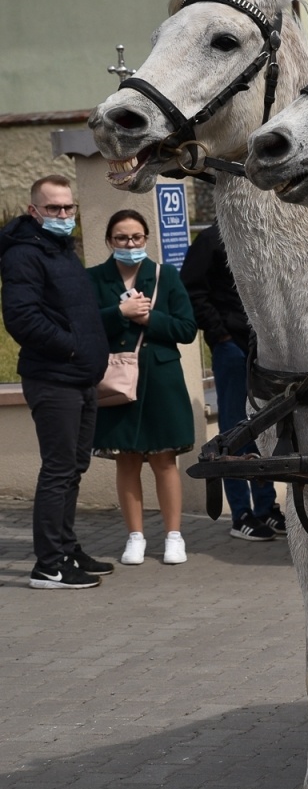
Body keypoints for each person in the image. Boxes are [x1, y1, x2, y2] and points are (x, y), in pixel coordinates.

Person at [1, 175, 113, 589]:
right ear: (35, 211)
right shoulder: (24, 255)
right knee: (58, 469)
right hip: (54, 378)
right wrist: (73, 350)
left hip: (79, 377)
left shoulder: (60, 249)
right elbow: (22, 318)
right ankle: (48, 565)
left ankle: (66, 547)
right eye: (54, 209)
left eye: (69, 208)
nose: (63, 215)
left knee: (75, 467)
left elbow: (73, 311)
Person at [87, 209, 198, 566]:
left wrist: (149, 317)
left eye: (135, 238)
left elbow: (186, 329)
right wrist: (120, 312)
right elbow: (84, 326)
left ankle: (173, 536)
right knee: (127, 458)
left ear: (146, 239)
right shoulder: (94, 278)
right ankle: (135, 536)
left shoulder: (166, 276)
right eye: (121, 238)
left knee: (165, 459)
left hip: (161, 379)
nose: (129, 244)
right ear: (109, 241)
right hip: (118, 378)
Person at [180, 223, 282, 541]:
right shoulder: (211, 239)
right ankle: (241, 513)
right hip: (233, 347)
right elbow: (192, 289)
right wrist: (219, 332)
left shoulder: (265, 234)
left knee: (264, 427)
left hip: (266, 349)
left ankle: (266, 507)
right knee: (234, 428)